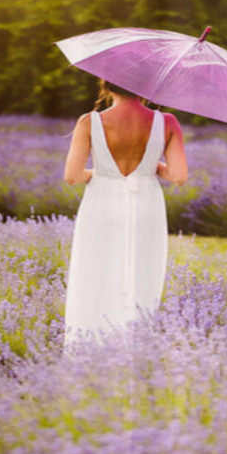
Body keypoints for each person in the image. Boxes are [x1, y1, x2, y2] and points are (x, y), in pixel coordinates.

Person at [63, 78, 188, 347]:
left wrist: (102, 172)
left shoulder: (89, 121)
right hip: (146, 204)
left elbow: (72, 176)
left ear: (106, 86)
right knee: (142, 271)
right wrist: (152, 163)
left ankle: (88, 346)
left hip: (102, 202)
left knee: (95, 272)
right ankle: (134, 346)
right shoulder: (167, 122)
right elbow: (178, 177)